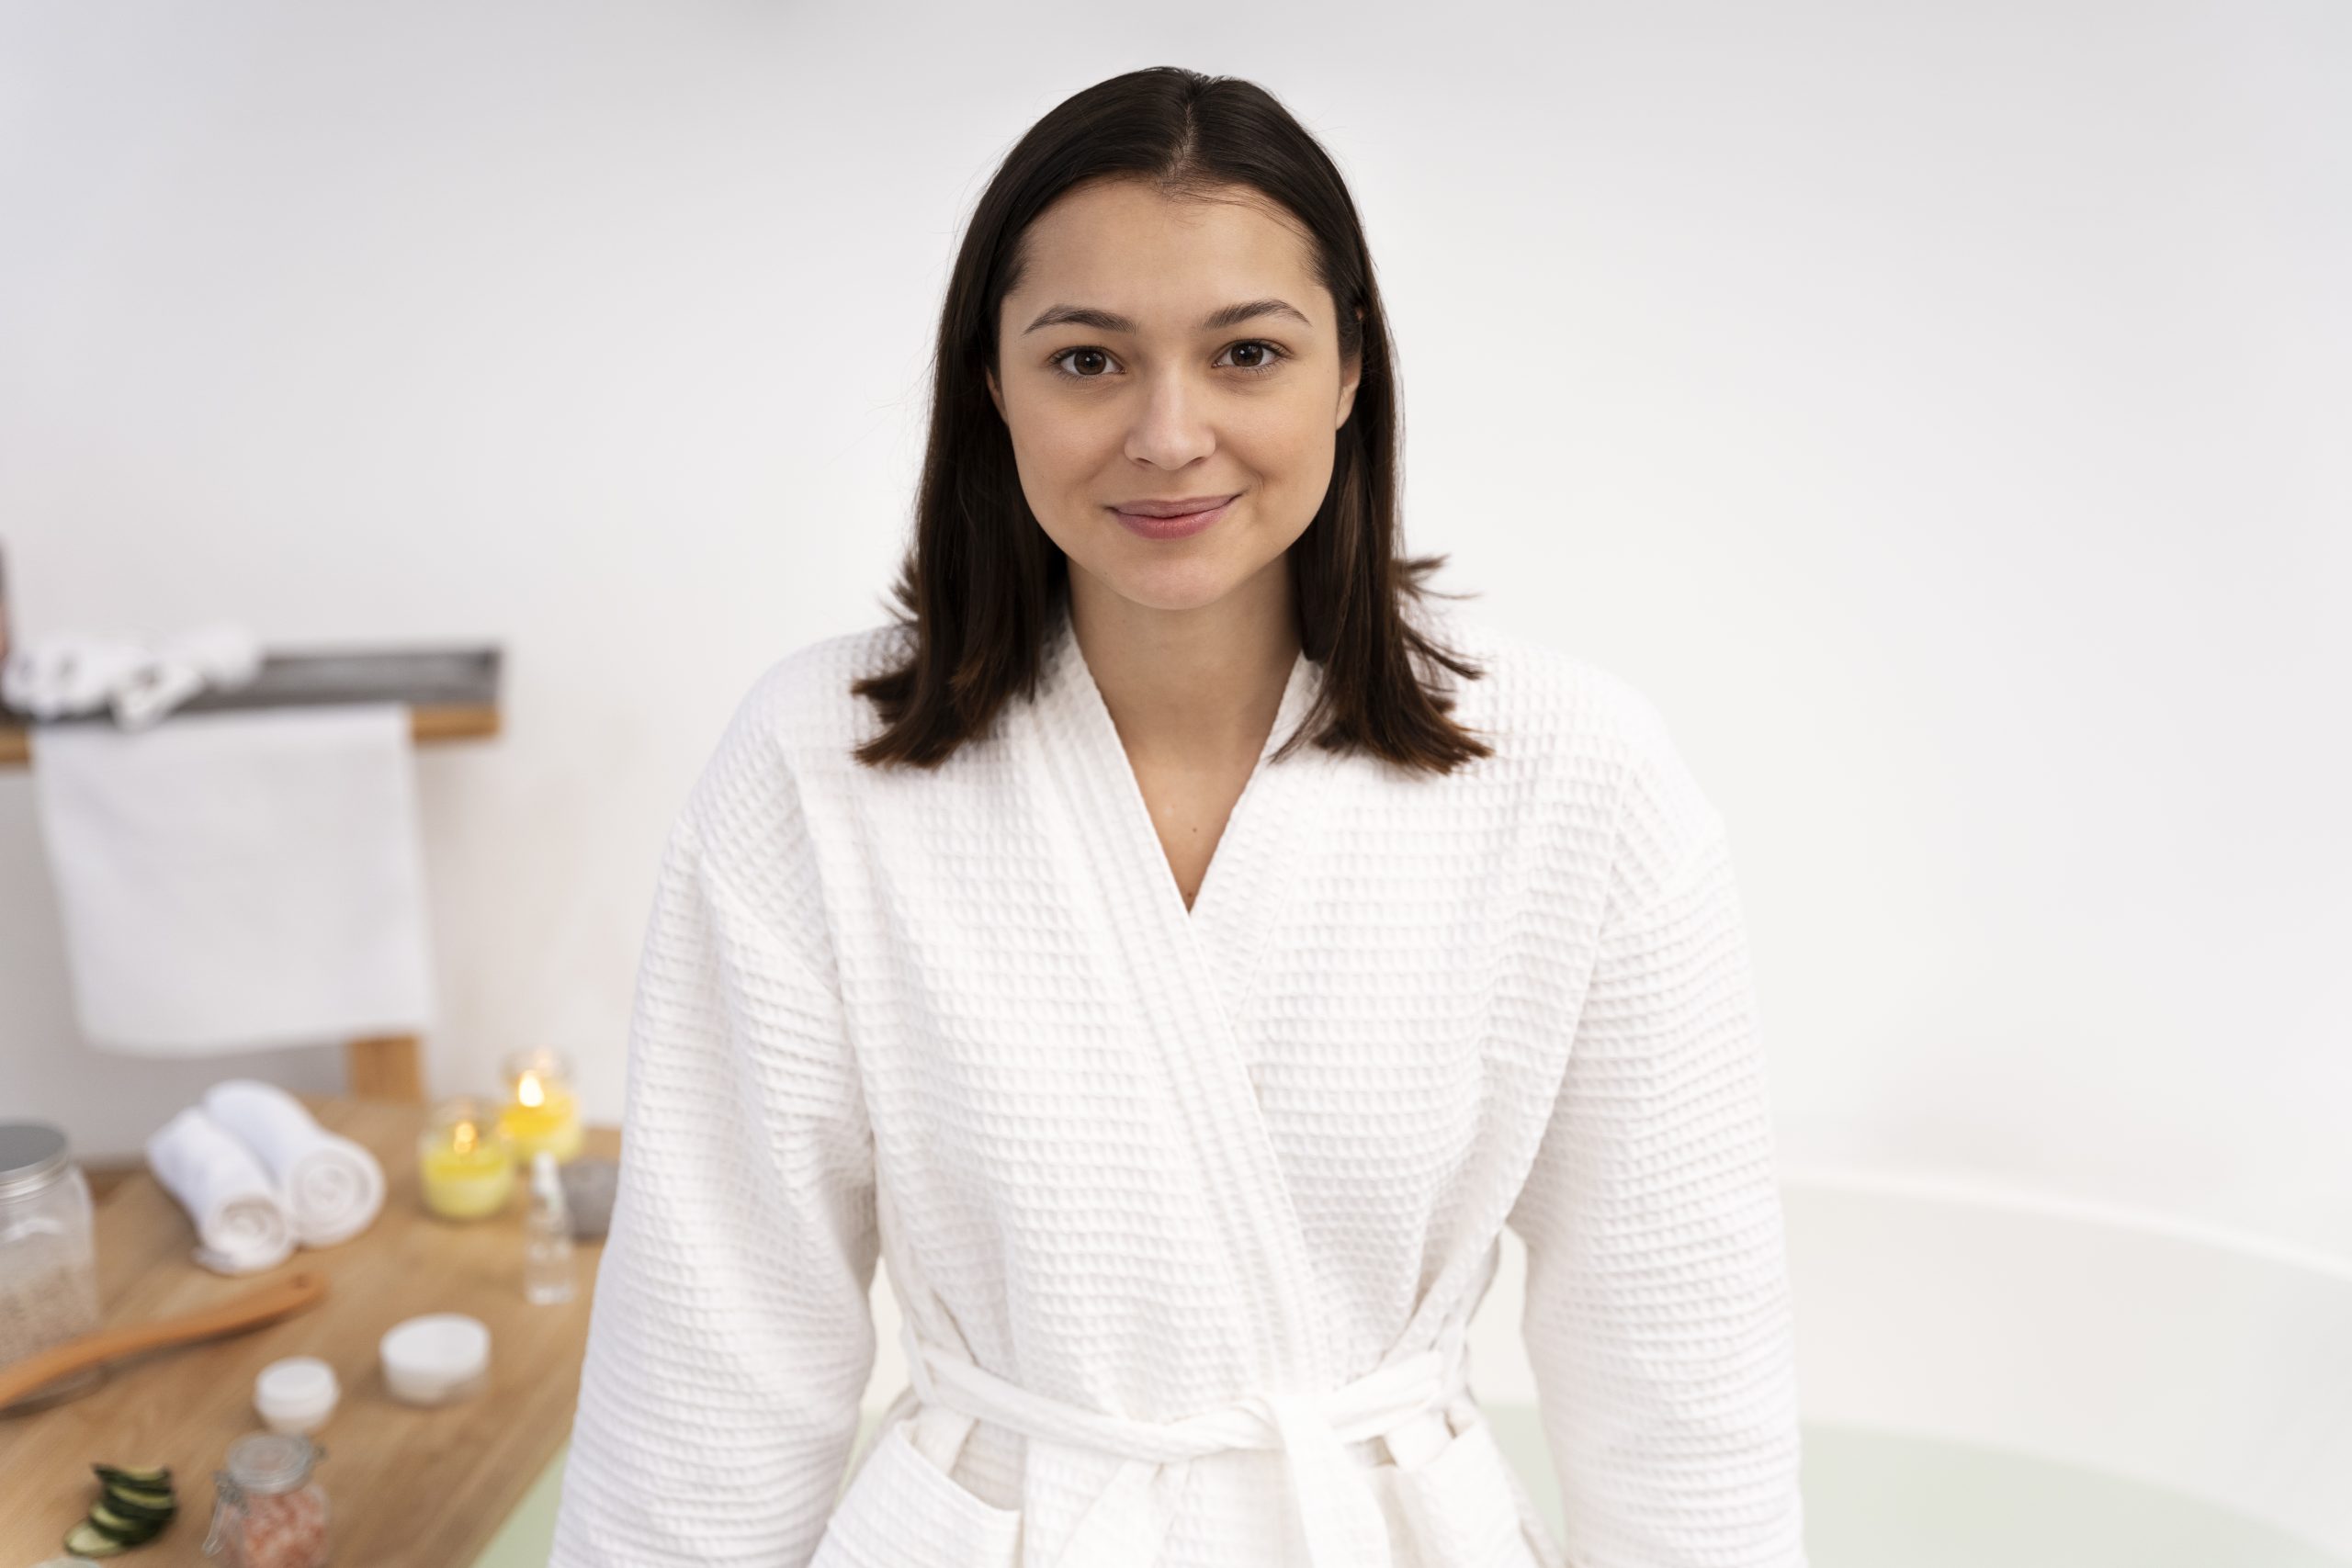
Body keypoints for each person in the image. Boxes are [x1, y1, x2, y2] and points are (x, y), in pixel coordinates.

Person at [548, 65, 1806, 1568]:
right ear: (990, 385)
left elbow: (1681, 1364)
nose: (1167, 433)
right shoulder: (816, 766)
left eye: (1247, 354)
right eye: (1087, 360)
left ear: (1350, 373)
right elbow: (710, 1366)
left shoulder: (1575, 774)